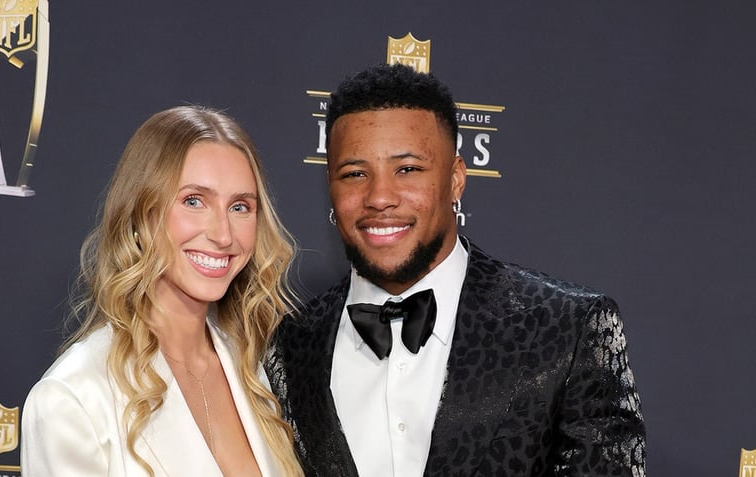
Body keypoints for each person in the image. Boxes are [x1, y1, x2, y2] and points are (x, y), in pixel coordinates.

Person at [265, 64, 646, 476]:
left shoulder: (568, 328)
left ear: (456, 179)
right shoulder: (288, 346)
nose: (379, 197)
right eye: (355, 174)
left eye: (407, 169)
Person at [22, 106, 304, 477]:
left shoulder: (256, 372)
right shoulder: (73, 398)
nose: (223, 235)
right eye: (193, 201)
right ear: (141, 214)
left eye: (240, 206)